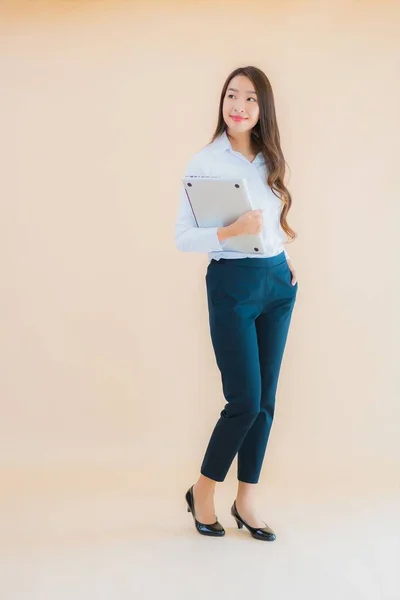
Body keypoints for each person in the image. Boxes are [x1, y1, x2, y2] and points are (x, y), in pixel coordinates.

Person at [175, 66, 298, 541]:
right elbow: (183, 237)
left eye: (249, 98)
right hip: (231, 283)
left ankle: (246, 500)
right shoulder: (205, 161)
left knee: (265, 402)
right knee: (243, 400)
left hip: (276, 285)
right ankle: (202, 490)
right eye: (232, 95)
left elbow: (272, 223)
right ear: (222, 102)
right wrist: (228, 232)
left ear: (262, 109)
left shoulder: (270, 159)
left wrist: (284, 261)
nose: (239, 105)